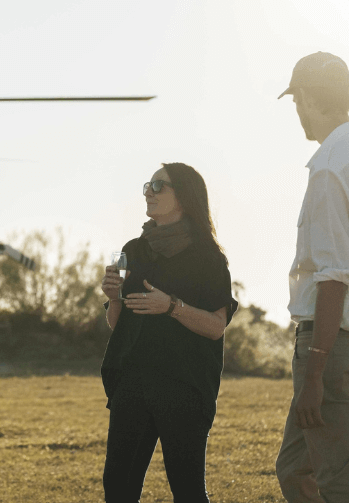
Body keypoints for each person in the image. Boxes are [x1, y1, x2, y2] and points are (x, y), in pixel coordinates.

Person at [274, 52, 349, 502]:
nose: (298, 114)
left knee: (339, 482)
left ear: (307, 97)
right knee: (295, 468)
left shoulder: (330, 168)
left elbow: (334, 277)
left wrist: (317, 371)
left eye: (296, 103)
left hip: (328, 345)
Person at [100, 162, 238, 502]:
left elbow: (216, 327)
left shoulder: (209, 258)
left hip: (184, 387)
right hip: (131, 384)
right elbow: (119, 326)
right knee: (117, 488)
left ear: (185, 196)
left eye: (158, 185)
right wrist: (113, 298)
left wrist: (171, 306)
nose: (148, 191)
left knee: (188, 490)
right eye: (147, 184)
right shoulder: (133, 250)